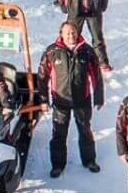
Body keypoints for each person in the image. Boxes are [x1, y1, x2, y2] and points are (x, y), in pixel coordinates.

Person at [41, 22, 105, 178]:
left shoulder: (87, 51)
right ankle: (57, 165)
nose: (71, 36)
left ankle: (89, 160)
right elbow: (42, 77)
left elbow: (96, 75)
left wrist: (98, 96)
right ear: (61, 34)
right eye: (68, 33)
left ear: (77, 33)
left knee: (85, 130)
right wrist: (43, 99)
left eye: (73, 32)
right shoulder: (52, 51)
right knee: (59, 133)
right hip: (60, 100)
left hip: (82, 99)